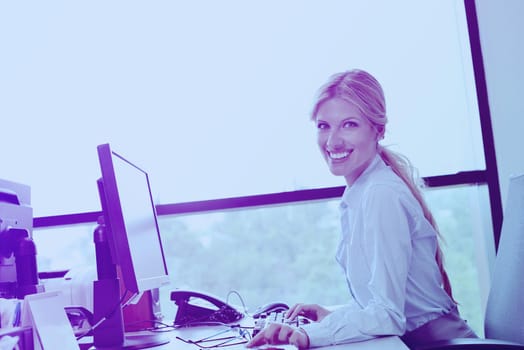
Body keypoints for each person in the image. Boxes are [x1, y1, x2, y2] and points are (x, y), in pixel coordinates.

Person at [246, 69, 477, 349]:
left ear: (377, 129)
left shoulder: (381, 195)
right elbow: (386, 306)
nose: (332, 142)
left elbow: (389, 316)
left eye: (349, 125)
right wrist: (333, 318)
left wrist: (309, 336)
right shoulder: (362, 191)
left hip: (437, 344)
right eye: (323, 126)